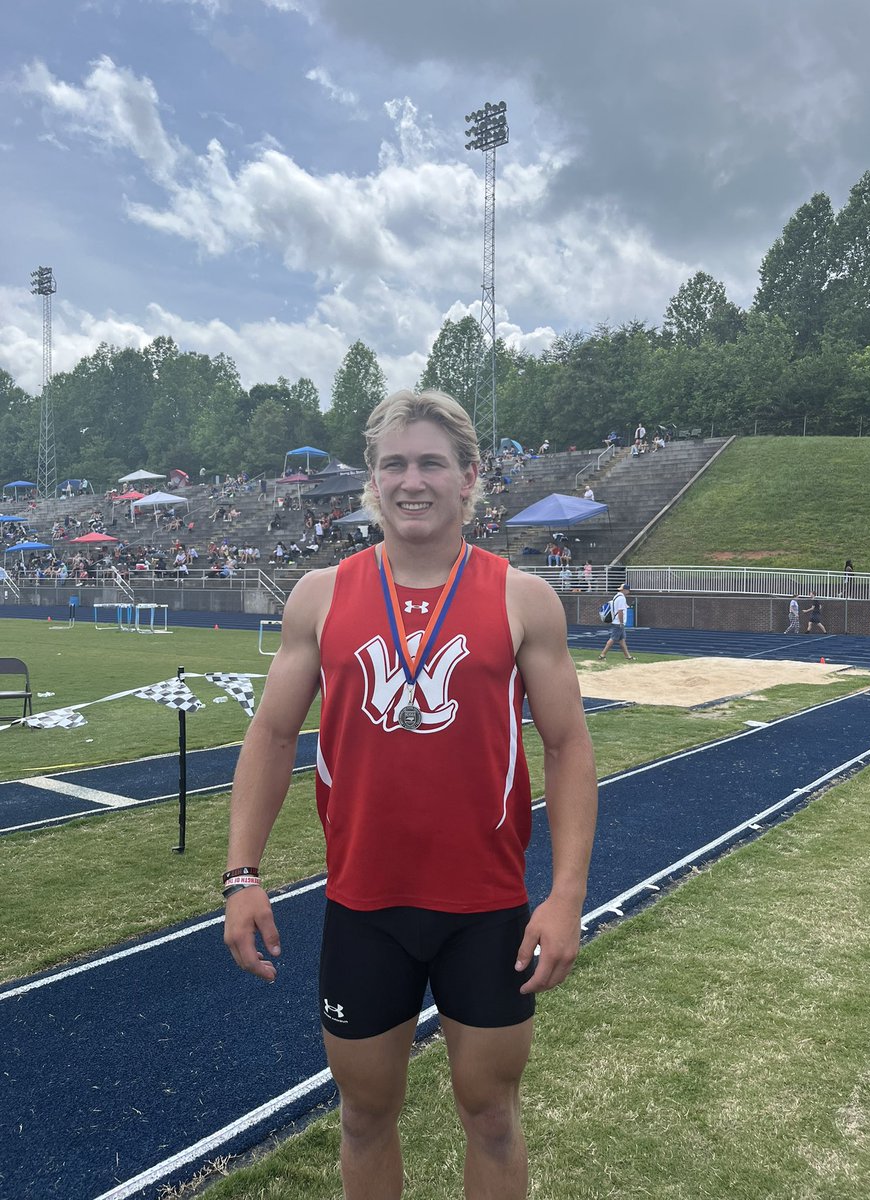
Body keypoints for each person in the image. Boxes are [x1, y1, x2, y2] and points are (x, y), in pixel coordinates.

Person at [223, 389, 598, 1200]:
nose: (412, 480)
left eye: (432, 462)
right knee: (363, 1117)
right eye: (394, 463)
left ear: (470, 478)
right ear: (372, 480)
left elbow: (567, 747)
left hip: (486, 908)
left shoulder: (521, 598)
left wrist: (566, 896)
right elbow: (272, 736)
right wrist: (242, 875)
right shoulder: (320, 596)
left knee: (491, 1114)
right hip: (366, 905)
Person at [599, 584, 635, 662]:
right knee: (612, 639)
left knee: (622, 640)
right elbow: (620, 611)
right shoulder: (622, 598)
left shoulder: (616, 596)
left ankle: (627, 656)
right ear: (625, 590)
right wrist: (621, 623)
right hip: (618, 623)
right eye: (628, 590)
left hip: (616, 621)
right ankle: (602, 655)